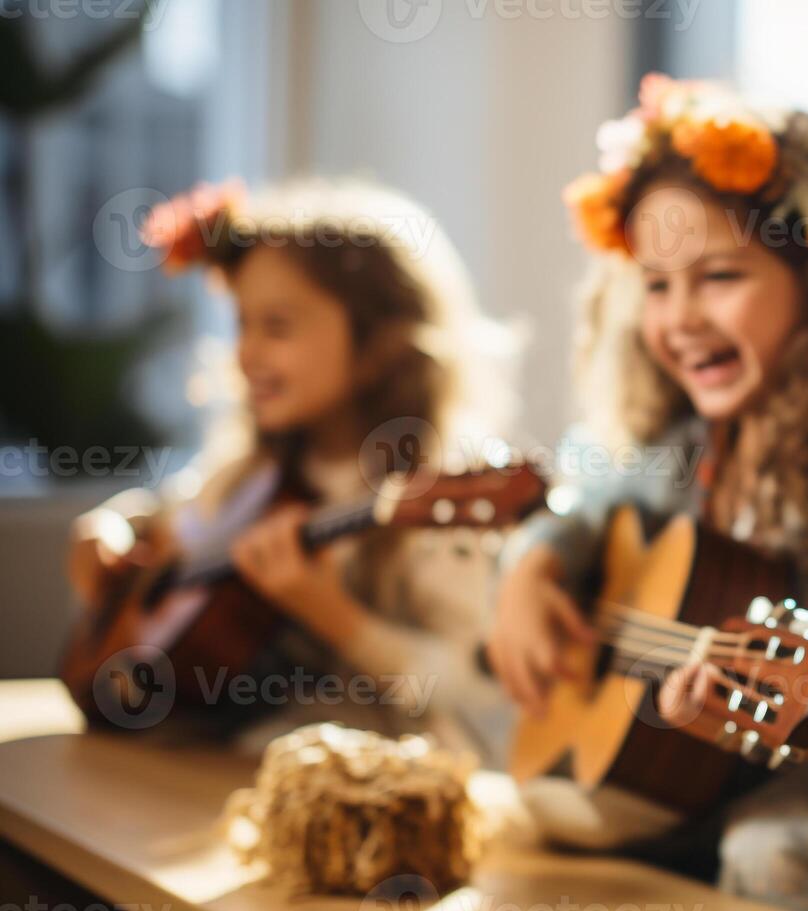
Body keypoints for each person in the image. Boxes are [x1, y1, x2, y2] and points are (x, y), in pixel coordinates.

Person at [486, 74, 808, 911]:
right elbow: (582, 510)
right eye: (657, 287)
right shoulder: (682, 444)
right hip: (691, 792)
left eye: (719, 277)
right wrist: (531, 566)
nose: (680, 318)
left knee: (769, 852)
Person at [66, 178, 517, 764]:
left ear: (380, 342)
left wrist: (335, 616)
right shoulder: (256, 470)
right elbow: (172, 518)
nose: (246, 354)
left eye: (276, 326)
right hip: (212, 765)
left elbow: (475, 696)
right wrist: (113, 526)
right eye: (241, 325)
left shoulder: (437, 497)